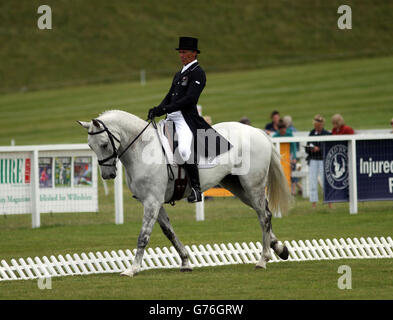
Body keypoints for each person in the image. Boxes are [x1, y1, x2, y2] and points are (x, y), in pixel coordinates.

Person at [147, 37, 232, 203]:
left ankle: (196, 188)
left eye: (184, 52)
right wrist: (158, 109)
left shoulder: (198, 72)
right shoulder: (179, 73)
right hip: (170, 117)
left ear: (194, 53)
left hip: (184, 118)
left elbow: (190, 99)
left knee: (184, 151)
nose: (181, 55)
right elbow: (169, 96)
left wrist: (165, 109)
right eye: (180, 52)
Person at [305, 115, 332, 209]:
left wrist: (319, 149)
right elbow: (307, 147)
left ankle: (329, 202)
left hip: (323, 160)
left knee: (326, 181)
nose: (317, 127)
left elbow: (329, 147)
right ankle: (313, 203)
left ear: (322, 125)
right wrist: (311, 149)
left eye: (318, 125)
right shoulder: (312, 133)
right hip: (313, 159)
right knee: (312, 181)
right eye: (315, 125)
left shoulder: (327, 134)